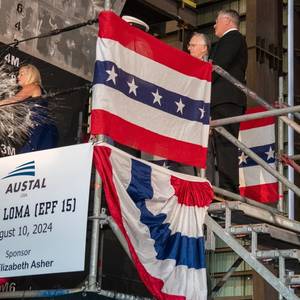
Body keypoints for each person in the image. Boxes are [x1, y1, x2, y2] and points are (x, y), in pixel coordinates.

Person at [208, 9, 248, 193]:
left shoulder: (232, 38)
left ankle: (229, 188)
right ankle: (226, 187)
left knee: (226, 145)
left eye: (217, 21)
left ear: (226, 20)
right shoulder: (229, 41)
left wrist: (202, 78)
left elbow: (218, 66)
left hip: (226, 99)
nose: (214, 25)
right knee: (222, 144)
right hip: (224, 100)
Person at [0, 64, 58, 154]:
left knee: (27, 158)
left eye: (22, 74)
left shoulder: (33, 86)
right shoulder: (38, 88)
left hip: (41, 129)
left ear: (30, 75)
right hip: (46, 130)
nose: (18, 76)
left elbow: (14, 99)